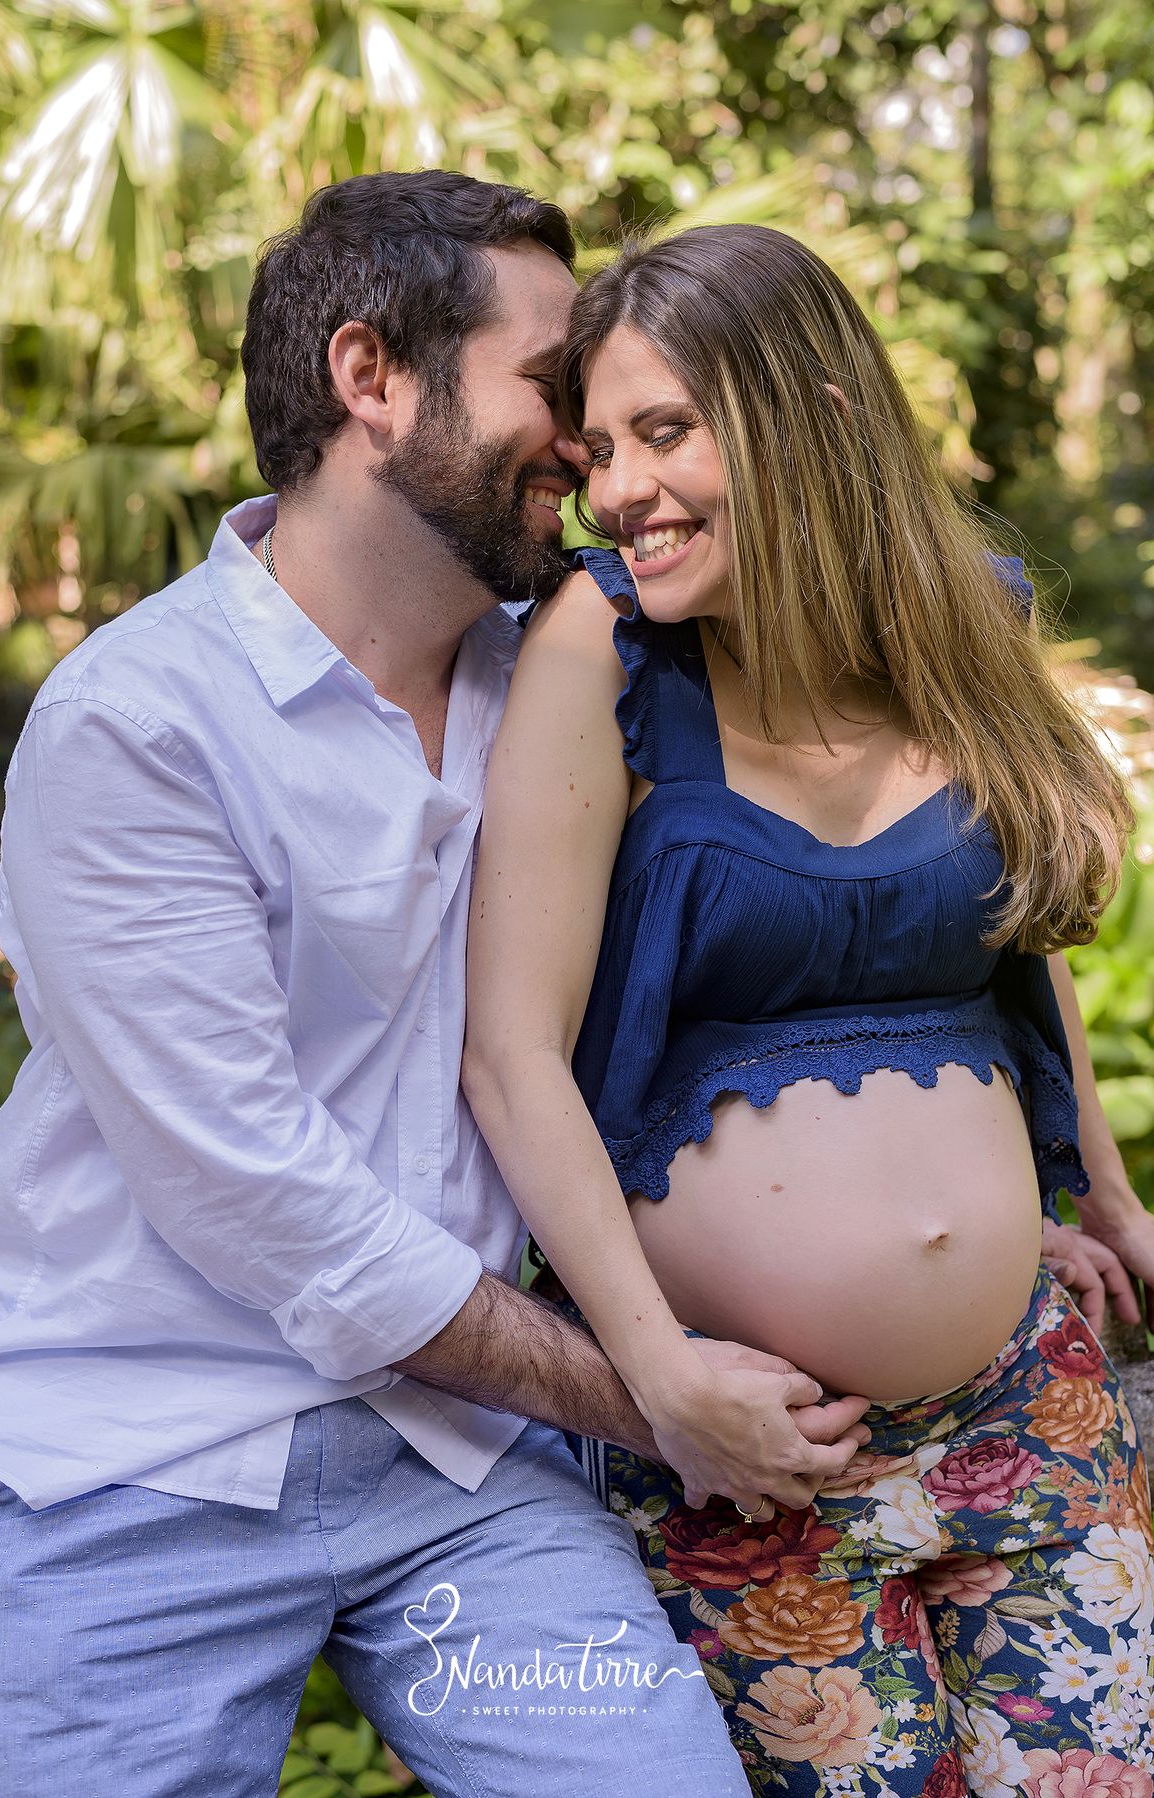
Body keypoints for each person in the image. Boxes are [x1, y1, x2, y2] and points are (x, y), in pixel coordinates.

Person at [0, 176, 872, 1798]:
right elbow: (270, 1203)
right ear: (371, 378)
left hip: (453, 1474)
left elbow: (818, 912)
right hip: (124, 1468)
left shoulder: (578, 680)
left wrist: (1032, 1175)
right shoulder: (138, 726)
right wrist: (652, 1391)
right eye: (549, 382)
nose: (589, 444)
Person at [463, 223, 1154, 1789]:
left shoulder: (966, 617)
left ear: (812, 416)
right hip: (756, 1450)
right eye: (602, 451)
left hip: (1025, 1405)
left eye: (667, 432)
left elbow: (1023, 921)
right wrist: (663, 1381)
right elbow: (511, 1054)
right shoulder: (606, 644)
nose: (619, 489)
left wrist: (1102, 1193)